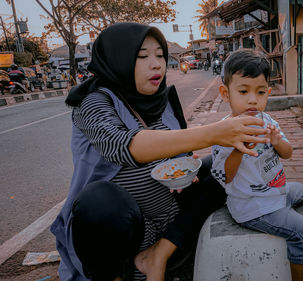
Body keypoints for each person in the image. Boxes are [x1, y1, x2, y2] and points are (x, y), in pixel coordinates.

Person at [52, 23, 270, 281]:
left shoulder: (162, 99)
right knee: (98, 201)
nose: (156, 64)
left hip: (167, 212)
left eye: (160, 55)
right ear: (117, 59)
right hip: (121, 225)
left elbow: (180, 152)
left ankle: (160, 253)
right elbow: (123, 146)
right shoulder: (93, 103)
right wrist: (215, 132)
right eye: (142, 56)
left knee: (222, 168)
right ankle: (114, 275)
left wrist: (187, 166)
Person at [211, 49, 303, 281]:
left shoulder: (267, 120)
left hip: (273, 193)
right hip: (252, 207)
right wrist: (240, 147)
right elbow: (225, 177)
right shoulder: (223, 132)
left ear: (268, 93)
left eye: (260, 92)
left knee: (302, 190)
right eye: (243, 91)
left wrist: (277, 141)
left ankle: (283, 211)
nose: (252, 99)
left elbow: (288, 154)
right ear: (225, 93)